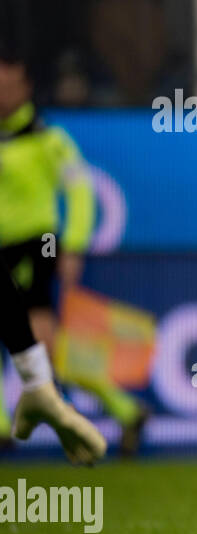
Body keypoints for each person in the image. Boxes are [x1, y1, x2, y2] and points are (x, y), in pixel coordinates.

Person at [0, 51, 148, 454]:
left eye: (9, 85)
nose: (2, 94)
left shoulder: (48, 139)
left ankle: (122, 409)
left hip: (34, 248)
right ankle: (124, 411)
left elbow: (80, 191)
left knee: (42, 346)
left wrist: (74, 244)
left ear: (26, 88)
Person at [0, 267, 105, 464]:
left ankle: (125, 409)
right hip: (31, 244)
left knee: (49, 343)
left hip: (33, 243)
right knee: (47, 344)